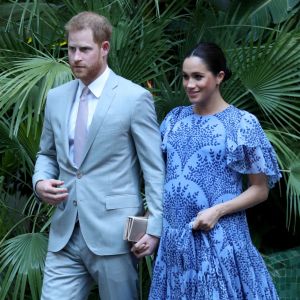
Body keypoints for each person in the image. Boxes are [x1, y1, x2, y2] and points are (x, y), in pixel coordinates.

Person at [32, 11, 164, 300]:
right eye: (71, 49)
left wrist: (154, 227)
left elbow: (153, 169)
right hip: (65, 233)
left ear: (104, 48)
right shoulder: (56, 98)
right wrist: (40, 181)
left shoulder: (134, 98)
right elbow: (46, 153)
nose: (76, 57)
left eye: (84, 49)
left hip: (116, 235)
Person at [149, 42, 281, 299]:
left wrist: (218, 211)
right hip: (175, 246)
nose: (189, 84)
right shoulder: (174, 120)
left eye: (198, 76)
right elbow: (161, 181)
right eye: (185, 77)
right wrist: (149, 225)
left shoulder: (242, 123)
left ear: (219, 77)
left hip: (219, 241)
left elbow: (260, 188)